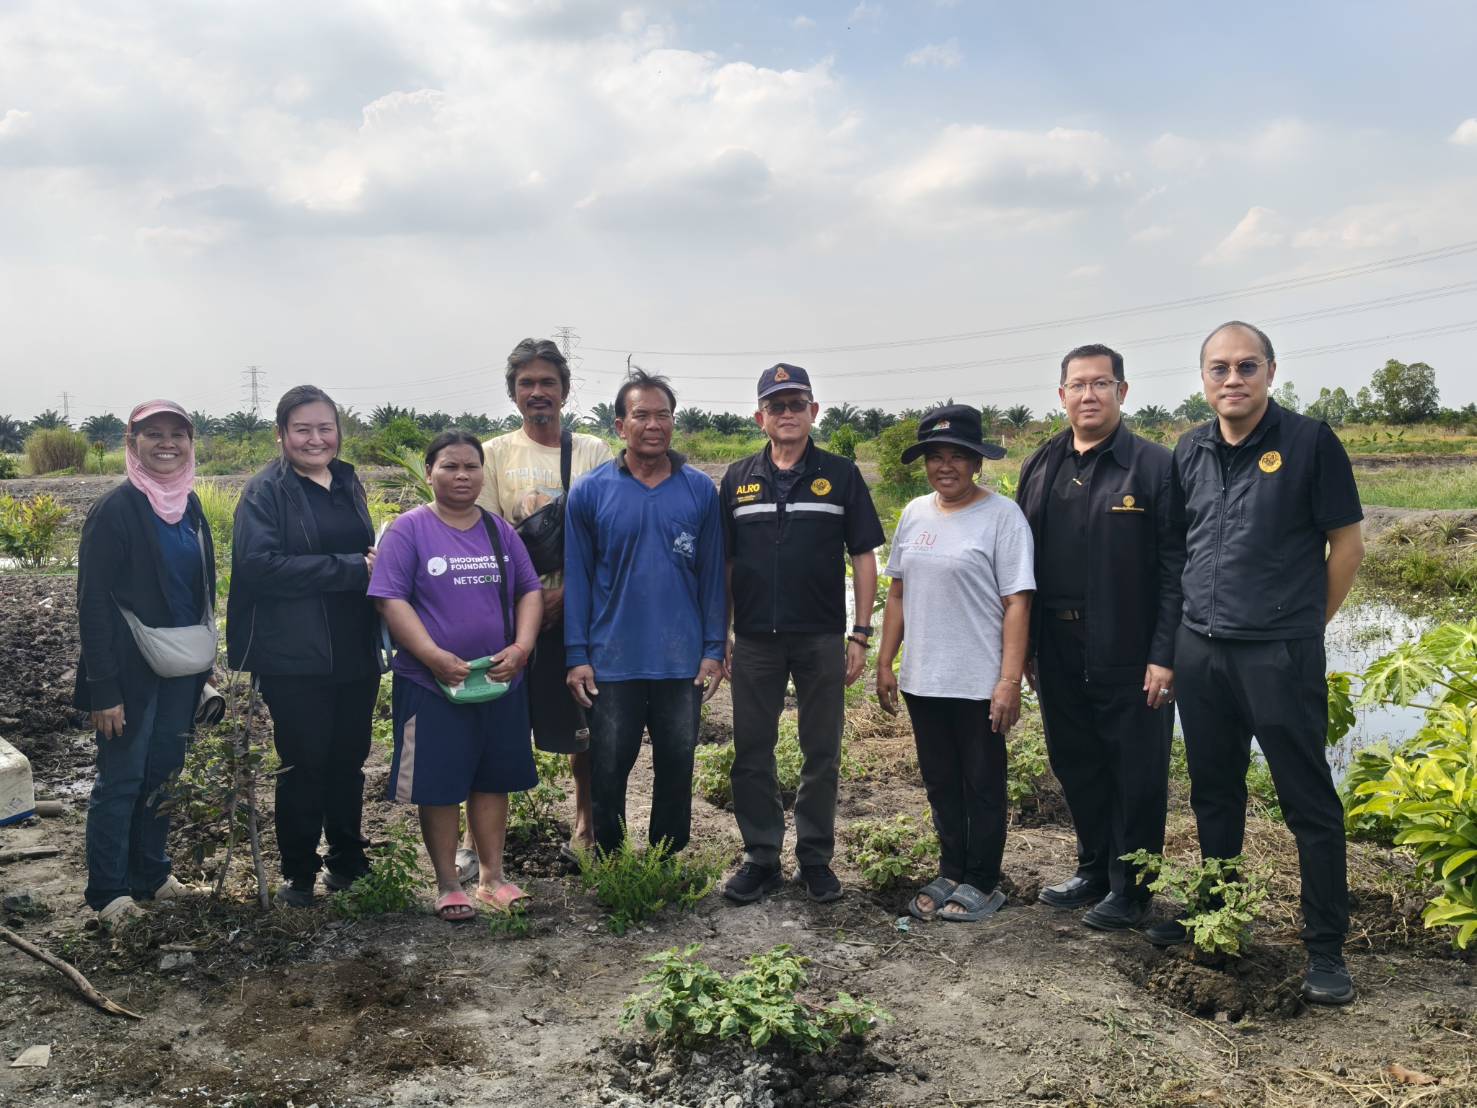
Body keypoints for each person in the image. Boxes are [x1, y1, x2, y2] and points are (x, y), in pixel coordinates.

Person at [1160, 321, 1365, 1005]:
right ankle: (1218, 921)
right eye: (1218, 369)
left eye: (1246, 366)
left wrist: (1305, 625)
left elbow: (1345, 545)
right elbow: (1177, 552)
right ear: (1203, 379)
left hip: (1278, 653)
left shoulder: (1308, 444)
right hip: (1201, 650)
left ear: (1270, 373)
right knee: (1213, 794)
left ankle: (1325, 950)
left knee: (1307, 801)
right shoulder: (1186, 450)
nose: (1232, 380)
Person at [1017, 345, 1184, 930]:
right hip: (1057, 647)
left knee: (1136, 771)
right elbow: (1021, 567)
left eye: (1101, 384)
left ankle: (1133, 888)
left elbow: (1174, 570)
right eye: (1077, 385)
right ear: (1060, 394)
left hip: (1131, 649)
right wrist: (1027, 649)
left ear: (1123, 391)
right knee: (1076, 760)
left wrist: (1165, 654)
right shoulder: (1040, 465)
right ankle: (1092, 868)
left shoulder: (1156, 467)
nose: (1089, 395)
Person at [719, 364, 884, 904]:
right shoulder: (737, 478)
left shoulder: (840, 474)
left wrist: (860, 634)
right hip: (756, 642)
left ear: (814, 411)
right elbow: (724, 563)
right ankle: (760, 857)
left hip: (819, 639)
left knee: (822, 752)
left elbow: (863, 555)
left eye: (797, 404)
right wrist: (720, 633)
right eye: (776, 405)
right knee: (751, 752)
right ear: (760, 416)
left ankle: (814, 858)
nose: (787, 414)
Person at [369, 431, 544, 921]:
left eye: (471, 466)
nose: (462, 475)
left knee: (492, 781)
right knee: (440, 786)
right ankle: (448, 883)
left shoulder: (498, 530)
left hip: (497, 680)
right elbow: (390, 599)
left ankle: (493, 878)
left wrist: (522, 647)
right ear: (430, 473)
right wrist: (431, 655)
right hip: (433, 684)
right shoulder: (408, 530)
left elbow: (528, 590)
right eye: (450, 466)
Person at [456, 338, 611, 881]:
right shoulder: (494, 454)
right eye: (527, 384)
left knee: (584, 728)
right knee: (494, 724)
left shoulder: (592, 452)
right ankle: (476, 841)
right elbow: (486, 538)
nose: (538, 392)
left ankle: (586, 829)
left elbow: (603, 539)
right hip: (504, 615)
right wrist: (528, 605)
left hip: (576, 615)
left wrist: (564, 598)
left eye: (548, 382)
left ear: (564, 392)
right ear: (514, 394)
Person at [876, 405, 1035, 922]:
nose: (946, 467)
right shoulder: (915, 513)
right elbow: (897, 593)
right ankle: (951, 869)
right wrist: (886, 661)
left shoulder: (1002, 517)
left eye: (958, 457)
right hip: (926, 678)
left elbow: (1017, 602)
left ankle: (985, 880)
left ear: (976, 463)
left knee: (982, 782)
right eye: (935, 457)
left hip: (979, 679)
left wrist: (1008, 680)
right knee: (941, 781)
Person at [228, 385, 383, 907]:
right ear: (281, 435)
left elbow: (365, 550)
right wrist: (349, 570)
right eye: (302, 429)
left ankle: (347, 861)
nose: (315, 439)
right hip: (295, 657)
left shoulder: (346, 479)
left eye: (325, 428)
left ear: (338, 432)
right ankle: (298, 872)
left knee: (349, 758)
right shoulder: (265, 491)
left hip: (354, 650)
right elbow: (258, 566)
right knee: (303, 762)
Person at [564, 368, 726, 856]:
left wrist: (714, 648)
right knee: (609, 764)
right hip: (612, 659)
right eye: (641, 415)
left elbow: (714, 575)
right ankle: (612, 859)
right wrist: (577, 654)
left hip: (681, 660)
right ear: (620, 426)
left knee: (678, 763)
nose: (653, 424)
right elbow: (578, 578)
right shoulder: (591, 492)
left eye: (663, 415)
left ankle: (667, 860)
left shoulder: (699, 490)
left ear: (674, 422)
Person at [74, 400, 215, 928]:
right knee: (122, 777)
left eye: (177, 434)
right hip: (128, 671)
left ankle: (151, 874)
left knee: (164, 773)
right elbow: (91, 602)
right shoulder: (116, 510)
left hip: (180, 666)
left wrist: (205, 666)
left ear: (189, 442)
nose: (166, 444)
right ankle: (109, 891)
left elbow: (201, 590)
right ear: (132, 443)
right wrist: (102, 688)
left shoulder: (192, 505)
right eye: (152, 434)